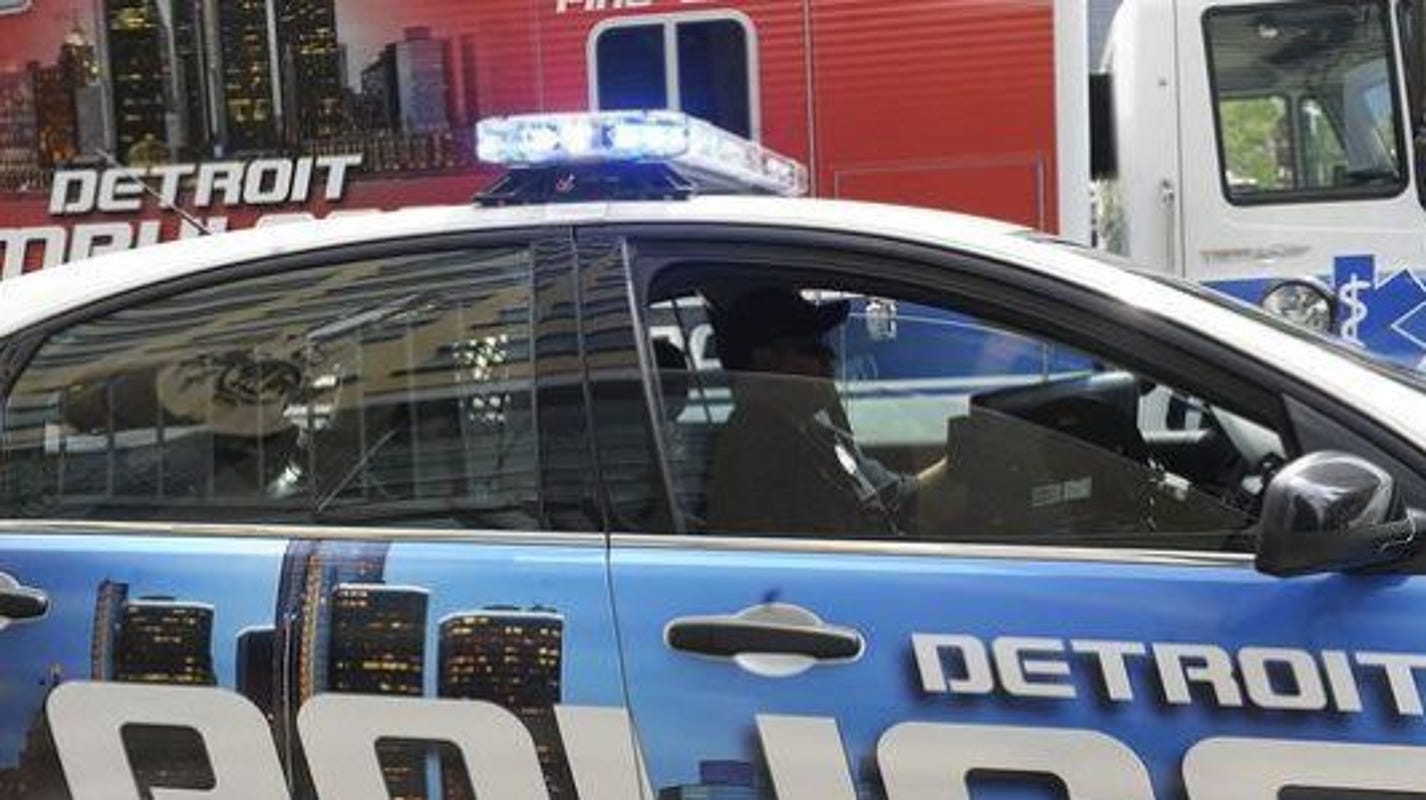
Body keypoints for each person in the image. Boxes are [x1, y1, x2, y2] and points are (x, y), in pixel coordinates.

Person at [705, 287, 949, 538]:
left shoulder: (818, 434)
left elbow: (895, 496)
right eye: (813, 350)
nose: (829, 359)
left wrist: (956, 463)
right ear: (766, 360)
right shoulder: (760, 454)